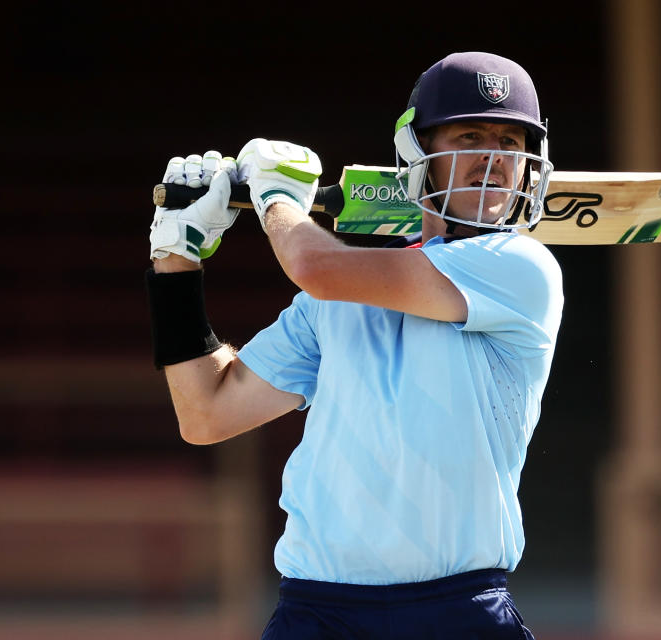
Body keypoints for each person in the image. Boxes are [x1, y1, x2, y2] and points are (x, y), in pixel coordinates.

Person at [145, 51, 563, 639]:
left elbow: (314, 264)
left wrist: (277, 198)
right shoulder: (335, 298)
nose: (494, 159)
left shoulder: (523, 268)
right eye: (471, 135)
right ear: (419, 154)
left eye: (511, 141)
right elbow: (206, 413)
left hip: (458, 612)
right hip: (318, 613)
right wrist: (177, 255)